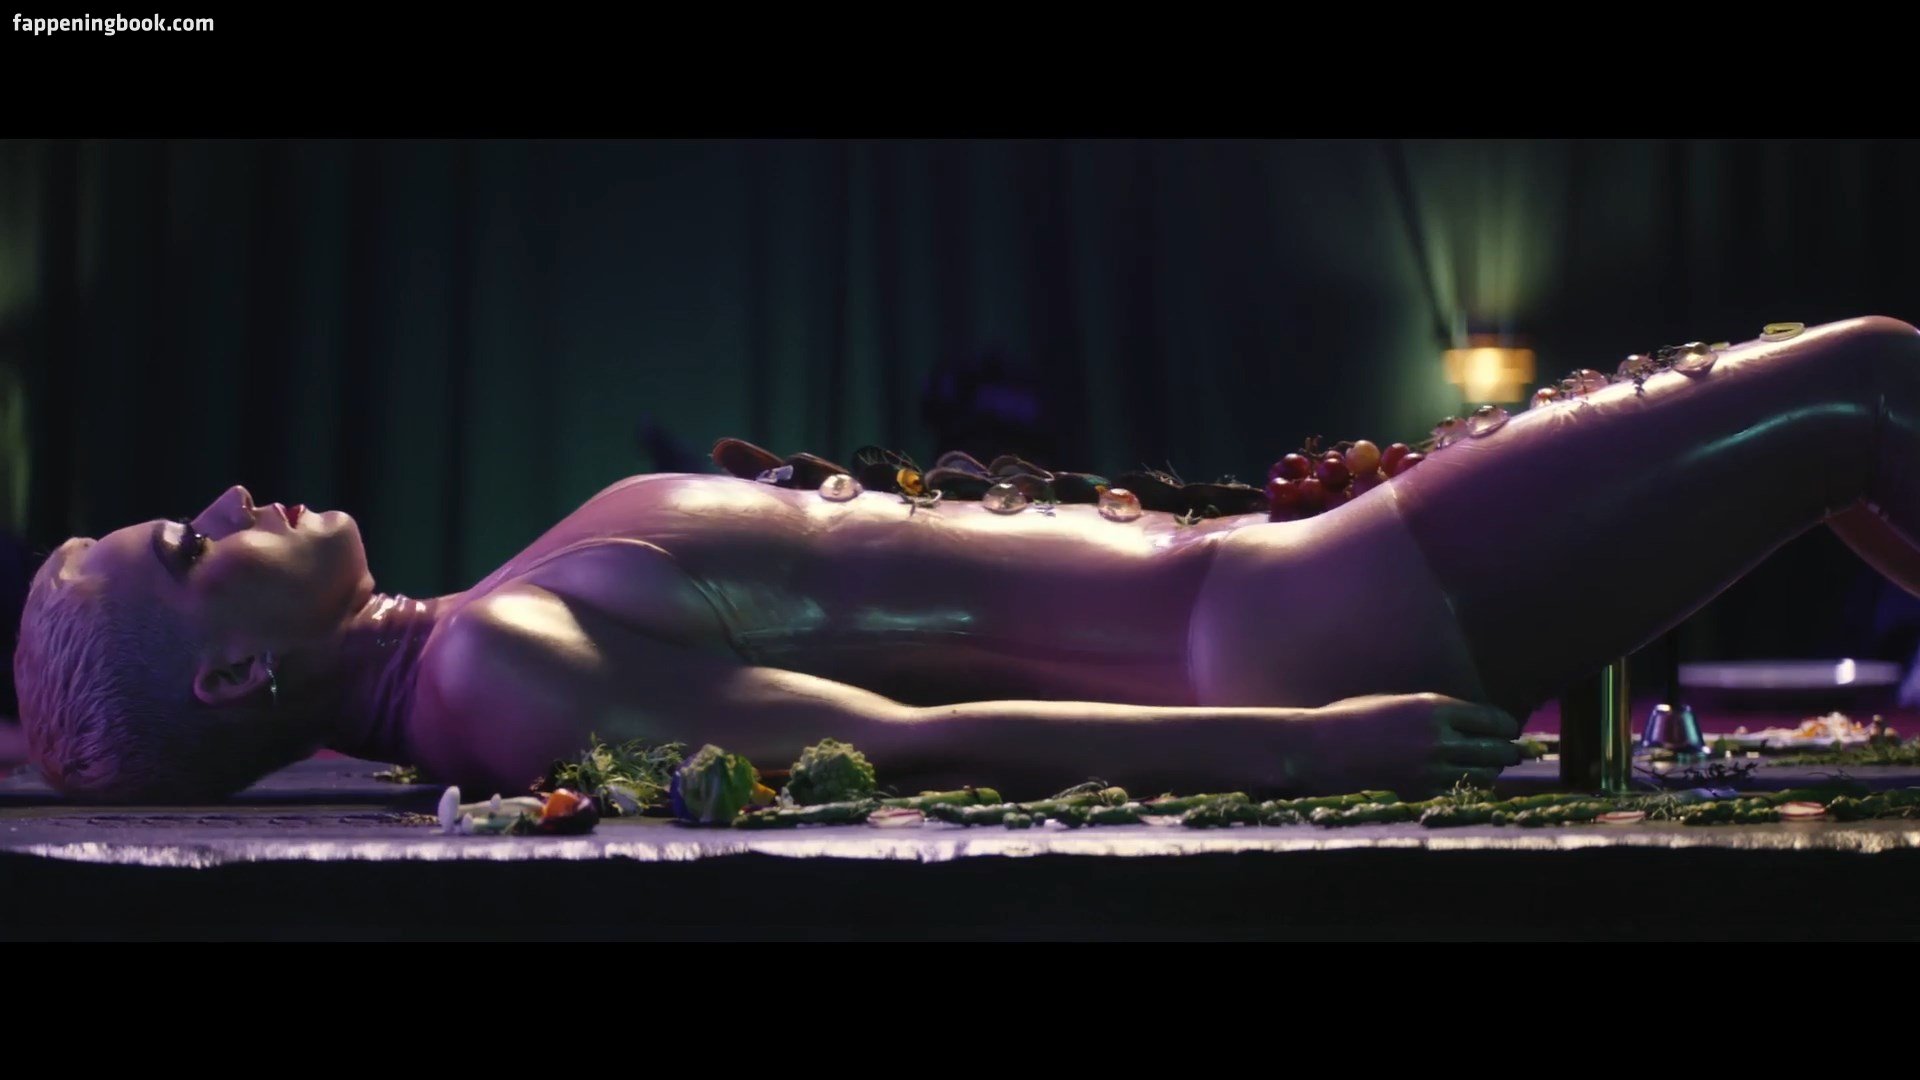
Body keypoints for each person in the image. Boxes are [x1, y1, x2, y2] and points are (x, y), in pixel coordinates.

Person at [15, 317, 1920, 804]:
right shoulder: (494, 675)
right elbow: (910, 747)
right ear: (233, 673)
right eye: (188, 547)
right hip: (1308, 632)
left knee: (1847, 438)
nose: (234, 499)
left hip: (1292, 589)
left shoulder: (481, 637)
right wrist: (1313, 742)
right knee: (1869, 390)